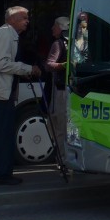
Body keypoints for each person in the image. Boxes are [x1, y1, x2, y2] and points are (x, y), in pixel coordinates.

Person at [0, 6, 41, 186]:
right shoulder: (6, 35)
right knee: (3, 135)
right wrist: (28, 69)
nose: (27, 21)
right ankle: (1, 174)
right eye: (24, 18)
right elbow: (2, 64)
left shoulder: (4, 34)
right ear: (12, 19)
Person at [44, 16, 70, 163]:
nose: (52, 29)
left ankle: (62, 159)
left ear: (60, 28)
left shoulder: (58, 44)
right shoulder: (76, 42)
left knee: (59, 127)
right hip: (72, 90)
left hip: (60, 91)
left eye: (54, 26)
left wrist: (62, 66)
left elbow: (49, 65)